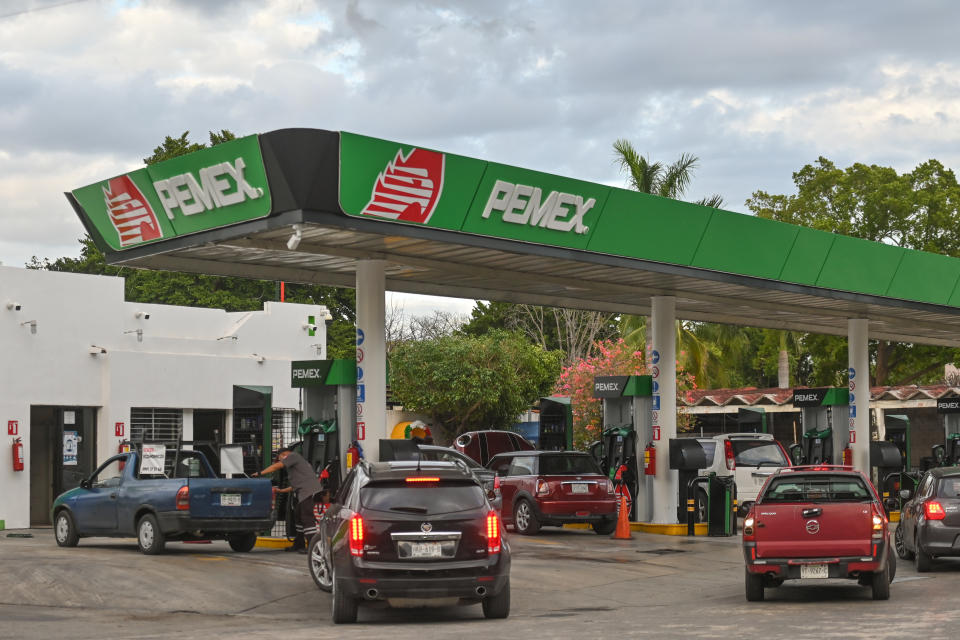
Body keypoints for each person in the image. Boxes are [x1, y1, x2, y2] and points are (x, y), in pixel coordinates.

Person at [253, 448, 324, 553]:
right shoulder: (296, 465)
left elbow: (277, 466)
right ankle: (298, 544)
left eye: (280, 458)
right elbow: (295, 486)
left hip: (309, 492)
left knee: (307, 519)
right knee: (298, 517)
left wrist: (260, 473)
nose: (280, 460)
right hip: (304, 493)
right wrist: (281, 490)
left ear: (284, 454)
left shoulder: (293, 456)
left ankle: (312, 548)